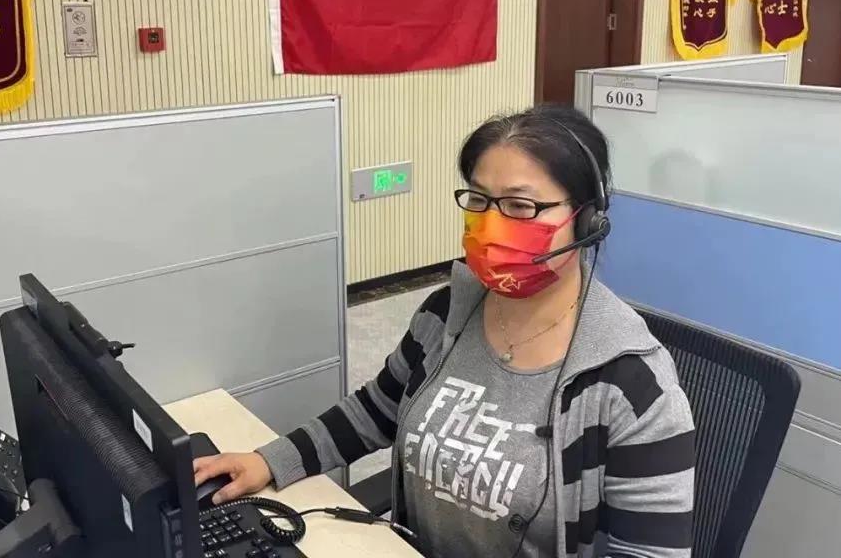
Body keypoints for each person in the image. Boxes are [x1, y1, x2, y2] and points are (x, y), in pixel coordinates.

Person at [193, 105, 696, 558]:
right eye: (479, 200)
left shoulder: (631, 383)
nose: (492, 225)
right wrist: (270, 460)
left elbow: (651, 553)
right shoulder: (446, 313)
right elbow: (376, 410)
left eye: (520, 206)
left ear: (587, 220)